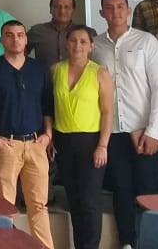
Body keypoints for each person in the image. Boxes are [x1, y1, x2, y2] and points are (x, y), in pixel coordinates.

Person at [0, 20, 54, 249]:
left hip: (36, 144)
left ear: (26, 39)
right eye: (9, 35)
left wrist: (47, 135)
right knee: (4, 207)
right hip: (5, 145)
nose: (15, 39)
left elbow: (48, 107)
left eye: (20, 35)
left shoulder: (38, 70)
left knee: (39, 205)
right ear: (2, 40)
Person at [90, 0, 158, 249]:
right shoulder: (94, 45)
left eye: (120, 6)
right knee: (121, 189)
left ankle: (151, 241)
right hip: (111, 131)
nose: (115, 12)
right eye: (109, 7)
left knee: (148, 188)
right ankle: (127, 241)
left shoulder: (146, 42)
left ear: (129, 10)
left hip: (142, 129)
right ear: (102, 13)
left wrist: (154, 131)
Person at [52, 26, 113, 249]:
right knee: (74, 199)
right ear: (66, 43)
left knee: (89, 200)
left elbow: (108, 112)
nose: (78, 45)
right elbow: (49, 107)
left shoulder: (100, 73)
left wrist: (103, 145)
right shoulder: (55, 70)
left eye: (83, 41)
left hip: (91, 142)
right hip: (63, 142)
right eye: (73, 41)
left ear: (91, 46)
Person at [26, 0, 77, 64]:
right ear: (50, 9)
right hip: (44, 71)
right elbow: (18, 53)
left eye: (66, 7)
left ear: (73, 10)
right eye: (57, 7)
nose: (62, 11)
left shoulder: (85, 33)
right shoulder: (36, 31)